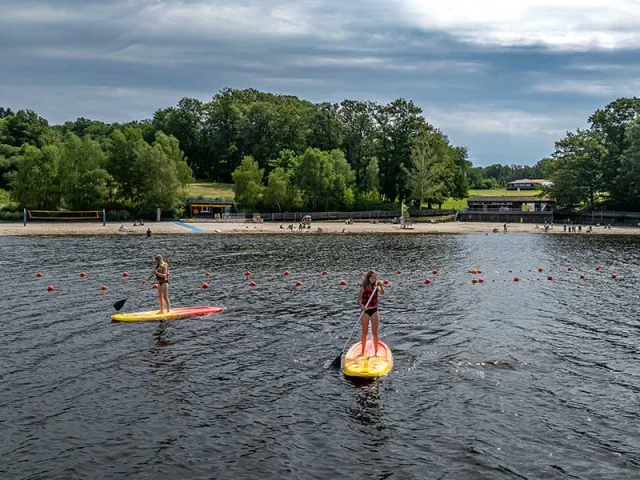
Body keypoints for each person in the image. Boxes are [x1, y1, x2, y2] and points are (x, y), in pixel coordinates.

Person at [358, 270, 385, 357]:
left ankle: (376, 352)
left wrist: (381, 286)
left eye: (375, 278)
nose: (373, 279)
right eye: (372, 278)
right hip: (365, 311)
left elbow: (383, 293)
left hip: (374, 310)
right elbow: (358, 301)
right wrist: (362, 306)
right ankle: (362, 351)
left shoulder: (376, 286)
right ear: (368, 278)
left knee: (375, 333)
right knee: (364, 332)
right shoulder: (363, 287)